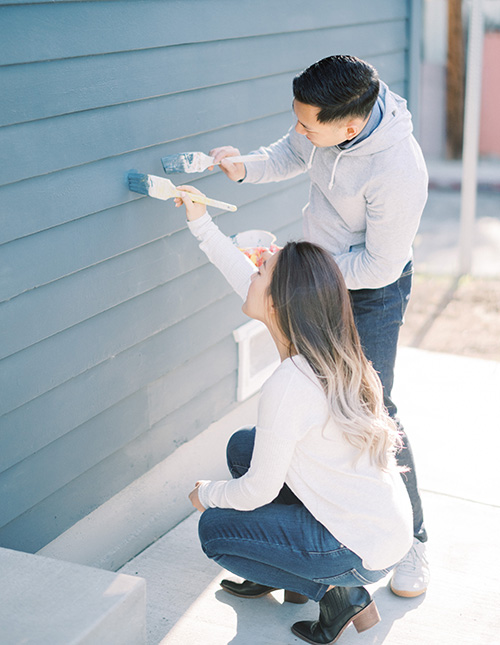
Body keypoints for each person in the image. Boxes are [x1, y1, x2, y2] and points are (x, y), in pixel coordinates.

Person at [207, 54, 430, 598]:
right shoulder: (328, 119)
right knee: (309, 411)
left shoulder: (398, 171)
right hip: (322, 272)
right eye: (298, 117)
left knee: (371, 409)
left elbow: (379, 265)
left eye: (309, 123)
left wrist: (312, 275)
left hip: (370, 289)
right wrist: (246, 167)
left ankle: (413, 541)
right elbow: (291, 152)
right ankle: (295, 549)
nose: (300, 129)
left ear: (350, 127)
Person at [176, 185, 413, 644]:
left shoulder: (291, 384)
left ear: (279, 302)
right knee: (244, 446)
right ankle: (280, 568)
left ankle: (338, 593)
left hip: (358, 549)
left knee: (214, 529)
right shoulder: (332, 354)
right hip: (379, 527)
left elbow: (257, 491)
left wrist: (207, 493)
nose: (251, 271)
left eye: (259, 269)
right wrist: (200, 221)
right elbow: (245, 275)